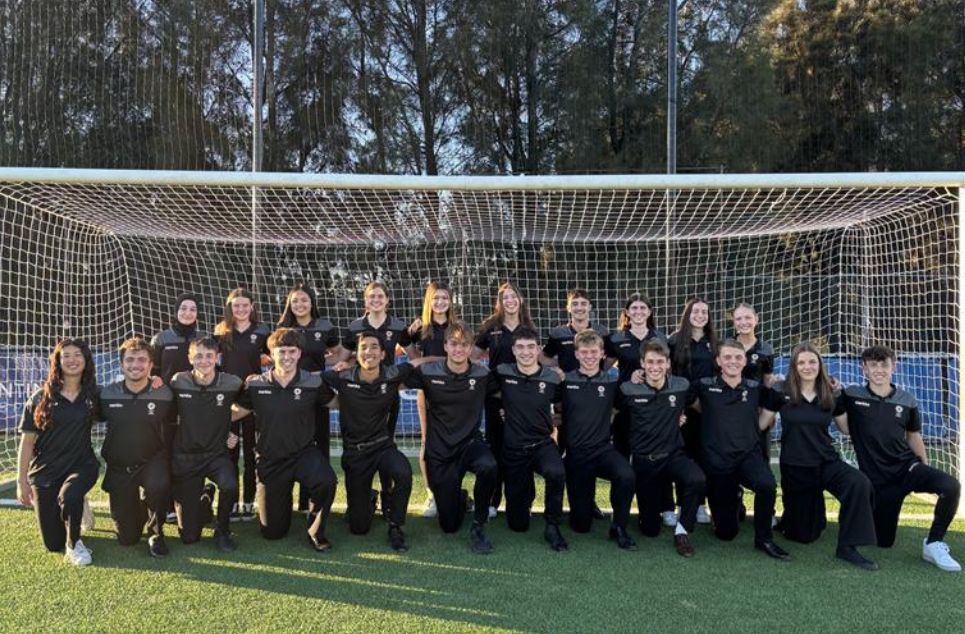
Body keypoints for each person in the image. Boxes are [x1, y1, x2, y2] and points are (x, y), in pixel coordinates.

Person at [841, 345, 961, 572]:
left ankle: (933, 543)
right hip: (878, 480)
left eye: (884, 365)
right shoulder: (851, 395)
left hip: (907, 468)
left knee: (950, 485)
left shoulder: (907, 400)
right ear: (864, 368)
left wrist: (924, 468)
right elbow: (842, 424)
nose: (879, 370)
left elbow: (913, 436)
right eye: (873, 365)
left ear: (893, 367)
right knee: (883, 541)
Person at [759, 343, 877, 570]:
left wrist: (872, 418)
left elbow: (846, 428)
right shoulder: (781, 390)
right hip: (796, 466)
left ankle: (848, 546)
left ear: (820, 364)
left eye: (812, 361)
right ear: (794, 366)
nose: (807, 367)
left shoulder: (831, 392)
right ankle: (796, 518)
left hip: (826, 461)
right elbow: (762, 424)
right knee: (803, 536)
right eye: (801, 362)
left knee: (859, 483)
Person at [231, 328, 339, 551]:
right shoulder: (256, 385)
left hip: (303, 453)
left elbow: (336, 403)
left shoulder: (313, 383)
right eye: (281, 351)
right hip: (270, 459)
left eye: (292, 351)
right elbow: (234, 413)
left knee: (327, 480)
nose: (287, 356)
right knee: (273, 532)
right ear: (271, 354)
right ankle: (281, 500)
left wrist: (360, 386)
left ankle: (316, 530)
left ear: (299, 353)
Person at [691, 339, 790, 561]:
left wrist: (832, 385)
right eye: (727, 357)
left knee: (767, 485)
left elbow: (782, 397)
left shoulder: (755, 388)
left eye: (738, 357)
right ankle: (735, 498)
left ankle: (764, 539)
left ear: (745, 361)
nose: (733, 362)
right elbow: (680, 397)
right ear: (718, 361)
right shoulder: (703, 385)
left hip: (748, 456)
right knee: (726, 534)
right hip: (717, 461)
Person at [405, 321, 498, 554]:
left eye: (464, 344)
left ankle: (479, 523)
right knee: (449, 526)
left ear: (471, 348)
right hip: (441, 451)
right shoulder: (428, 372)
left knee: (488, 466)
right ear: (445, 346)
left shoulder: (482, 374)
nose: (459, 349)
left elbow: (508, 393)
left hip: (470, 444)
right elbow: (391, 381)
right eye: (454, 344)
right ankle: (460, 497)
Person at [323, 331, 418, 551]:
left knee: (403, 472)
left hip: (382, 446)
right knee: (359, 528)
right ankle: (370, 498)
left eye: (374, 347)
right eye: (363, 347)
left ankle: (395, 526)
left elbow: (417, 363)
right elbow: (310, 379)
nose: (369, 352)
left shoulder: (392, 374)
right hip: (355, 453)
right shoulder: (342, 377)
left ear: (383, 354)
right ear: (356, 354)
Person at [16, 339, 100, 566]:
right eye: (66, 356)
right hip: (46, 472)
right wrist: (21, 481)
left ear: (86, 360)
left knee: (70, 495)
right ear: (58, 362)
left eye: (77, 355)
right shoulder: (40, 397)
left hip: (82, 465)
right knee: (53, 543)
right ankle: (78, 506)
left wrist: (153, 380)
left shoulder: (93, 394)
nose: (72, 360)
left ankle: (74, 545)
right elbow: (27, 441)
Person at [622, 340, 706, 557]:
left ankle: (682, 531)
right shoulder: (627, 389)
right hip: (644, 461)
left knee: (697, 479)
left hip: (673, 455)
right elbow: (611, 414)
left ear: (668, 363)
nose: (655, 367)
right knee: (650, 530)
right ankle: (652, 515)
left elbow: (700, 407)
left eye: (660, 362)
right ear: (642, 363)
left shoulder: (681, 385)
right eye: (650, 362)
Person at [97, 337, 176, 558]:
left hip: (152, 459)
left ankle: (156, 532)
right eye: (130, 360)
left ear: (151, 365)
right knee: (127, 538)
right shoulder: (106, 394)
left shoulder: (164, 393)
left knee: (158, 484)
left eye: (142, 360)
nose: (135, 365)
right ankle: (139, 507)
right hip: (120, 464)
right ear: (121, 364)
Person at [558, 330, 636, 550]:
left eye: (594, 352)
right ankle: (583, 508)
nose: (589, 356)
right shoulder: (565, 380)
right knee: (580, 526)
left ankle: (618, 526)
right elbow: (545, 402)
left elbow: (625, 406)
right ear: (576, 354)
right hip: (576, 455)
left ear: (602, 354)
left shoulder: (612, 381)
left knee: (626, 475)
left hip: (602, 451)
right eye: (584, 352)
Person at [494, 327, 569, 551]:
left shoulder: (552, 377)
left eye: (530, 347)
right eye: (520, 347)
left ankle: (552, 524)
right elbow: (483, 392)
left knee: (556, 472)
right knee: (518, 525)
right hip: (514, 448)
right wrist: (501, 410)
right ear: (513, 350)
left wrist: (559, 417)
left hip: (542, 444)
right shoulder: (502, 372)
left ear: (538, 349)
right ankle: (525, 499)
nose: (525, 352)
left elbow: (565, 404)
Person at [169, 337, 243, 552]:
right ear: (190, 358)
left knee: (229, 485)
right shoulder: (178, 381)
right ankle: (205, 497)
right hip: (186, 457)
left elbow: (249, 403)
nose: (204, 360)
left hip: (215, 454)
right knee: (189, 537)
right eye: (198, 356)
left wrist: (228, 427)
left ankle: (223, 530)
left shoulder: (231, 382)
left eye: (209, 356)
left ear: (217, 357)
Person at [277, 283, 344, 514]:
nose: (300, 304)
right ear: (289, 304)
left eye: (304, 300)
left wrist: (327, 366)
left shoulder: (325, 326)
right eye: (295, 300)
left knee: (319, 442)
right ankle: (284, 500)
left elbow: (339, 353)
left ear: (312, 302)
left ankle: (314, 501)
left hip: (316, 391)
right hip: (288, 393)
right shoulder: (283, 328)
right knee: (291, 442)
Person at [606, 292, 672, 525]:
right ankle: (619, 508)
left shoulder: (660, 337)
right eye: (634, 308)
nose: (638, 312)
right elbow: (603, 369)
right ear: (627, 312)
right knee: (622, 458)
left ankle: (666, 507)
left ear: (650, 312)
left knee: (658, 457)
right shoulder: (617, 339)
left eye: (643, 308)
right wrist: (627, 380)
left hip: (654, 409)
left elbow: (668, 370)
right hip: (625, 407)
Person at [473, 281, 536, 519]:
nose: (510, 301)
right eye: (505, 297)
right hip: (496, 397)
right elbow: (473, 356)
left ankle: (523, 500)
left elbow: (537, 360)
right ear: (499, 302)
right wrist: (486, 376)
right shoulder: (491, 327)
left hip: (523, 398)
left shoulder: (528, 327)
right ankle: (492, 501)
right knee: (496, 446)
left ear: (520, 300)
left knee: (522, 447)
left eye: (513, 296)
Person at [215, 288, 270, 523]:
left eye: (245, 305)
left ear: (252, 306)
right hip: (227, 400)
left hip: (252, 400)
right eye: (236, 305)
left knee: (251, 454)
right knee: (229, 453)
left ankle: (248, 503)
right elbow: (209, 360)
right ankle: (231, 503)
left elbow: (276, 357)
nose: (240, 309)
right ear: (230, 307)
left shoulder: (262, 331)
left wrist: (262, 374)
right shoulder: (221, 332)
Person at [408, 281, 457, 519]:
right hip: (427, 391)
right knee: (428, 441)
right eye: (435, 298)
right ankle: (431, 494)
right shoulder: (420, 328)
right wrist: (424, 359)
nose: (440, 302)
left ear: (450, 301)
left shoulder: (457, 327)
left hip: (455, 391)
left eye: (444, 298)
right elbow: (412, 357)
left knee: (454, 441)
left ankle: (453, 491)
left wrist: (428, 360)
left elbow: (460, 358)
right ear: (429, 300)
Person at [668, 296, 718, 524]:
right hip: (684, 409)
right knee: (684, 457)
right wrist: (690, 401)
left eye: (704, 312)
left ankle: (700, 505)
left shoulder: (715, 342)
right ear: (687, 314)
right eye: (695, 311)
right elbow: (670, 375)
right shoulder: (674, 340)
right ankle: (683, 504)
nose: (700, 315)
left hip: (709, 410)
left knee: (704, 456)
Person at [733, 303, 777, 460]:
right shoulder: (725, 346)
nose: (743, 322)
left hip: (756, 410)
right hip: (731, 409)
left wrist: (769, 412)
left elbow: (768, 382)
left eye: (748, 317)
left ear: (756, 319)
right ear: (734, 322)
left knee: (760, 458)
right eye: (739, 318)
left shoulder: (766, 349)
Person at [541, 287, 609, 373]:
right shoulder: (558, 333)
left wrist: (603, 371)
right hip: (567, 381)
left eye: (583, 304)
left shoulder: (601, 331)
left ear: (589, 307)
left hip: (596, 380)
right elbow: (545, 357)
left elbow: (612, 356)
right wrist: (558, 366)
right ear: (568, 308)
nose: (579, 308)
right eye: (575, 304)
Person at [151, 293, 208, 383]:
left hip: (197, 390)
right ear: (176, 311)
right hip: (168, 391)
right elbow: (151, 370)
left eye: (193, 310)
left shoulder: (203, 338)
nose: (188, 313)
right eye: (183, 308)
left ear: (197, 314)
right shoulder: (161, 338)